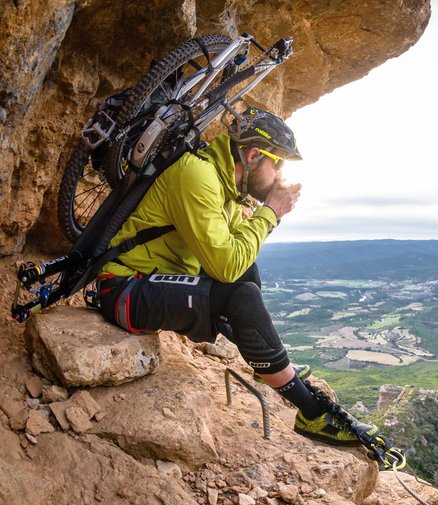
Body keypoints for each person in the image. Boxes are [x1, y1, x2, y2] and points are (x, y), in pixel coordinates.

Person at [96, 106, 377, 446]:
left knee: (247, 273)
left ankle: (263, 361)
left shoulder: (225, 189)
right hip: (124, 287)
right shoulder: (197, 176)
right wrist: (270, 212)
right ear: (255, 155)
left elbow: (239, 258)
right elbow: (225, 266)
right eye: (278, 164)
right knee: (240, 294)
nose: (278, 176)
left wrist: (261, 215)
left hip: (155, 279)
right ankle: (312, 414)